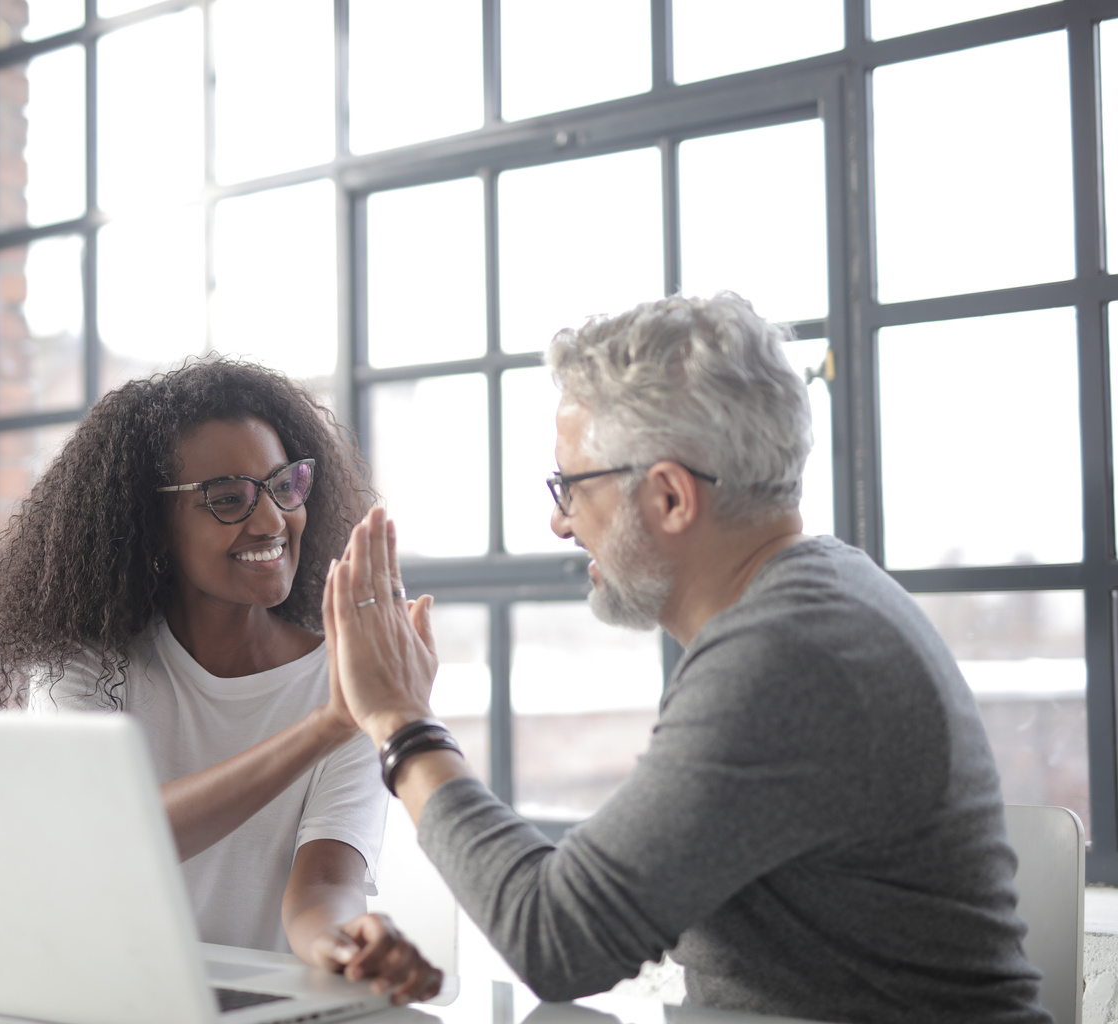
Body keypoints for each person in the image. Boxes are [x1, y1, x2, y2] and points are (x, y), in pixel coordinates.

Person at [321, 294, 1052, 1023]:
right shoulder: (818, 594)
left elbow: (556, 940)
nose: (559, 521)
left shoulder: (785, 656)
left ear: (670, 496)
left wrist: (401, 723)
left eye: (571, 487)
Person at [0, 359, 440, 1005]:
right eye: (227, 498)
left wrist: (345, 941)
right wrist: (327, 724)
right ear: (150, 526)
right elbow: (120, 835)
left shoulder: (342, 678)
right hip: (95, 1004)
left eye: (283, 486)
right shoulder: (83, 667)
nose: (271, 520)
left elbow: (324, 884)